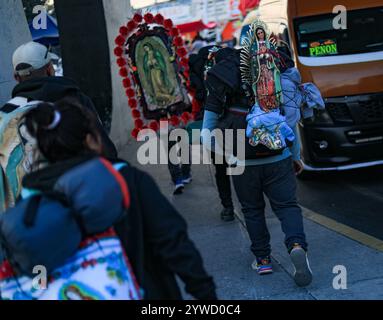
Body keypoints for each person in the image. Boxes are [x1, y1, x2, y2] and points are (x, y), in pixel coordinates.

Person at [7, 99, 216, 300]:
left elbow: (33, 271)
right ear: (90, 139)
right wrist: (205, 293)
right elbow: (173, 242)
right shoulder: (126, 179)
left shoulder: (30, 202)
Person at [201, 26, 317, 287]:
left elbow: (206, 135)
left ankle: (263, 260)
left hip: (243, 162)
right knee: (287, 207)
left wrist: (229, 156)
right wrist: (295, 155)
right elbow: (289, 120)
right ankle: (296, 245)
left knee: (252, 210)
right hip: (278, 156)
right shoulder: (275, 74)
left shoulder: (222, 80)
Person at [0, 41, 117, 211]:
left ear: (16, 78)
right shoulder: (75, 101)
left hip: (28, 217)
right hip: (82, 205)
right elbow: (106, 152)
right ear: (49, 69)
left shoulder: (4, 116)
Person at [189, 46, 235, 221]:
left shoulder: (206, 75)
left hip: (215, 127)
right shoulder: (235, 72)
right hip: (234, 126)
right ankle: (245, 205)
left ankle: (228, 207)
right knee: (241, 168)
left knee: (221, 170)